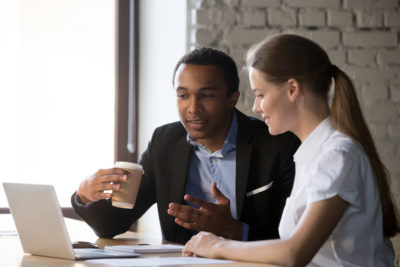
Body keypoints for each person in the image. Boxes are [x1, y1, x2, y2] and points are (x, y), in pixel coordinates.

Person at [182, 34, 400, 266]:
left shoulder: (337, 156)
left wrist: (216, 246)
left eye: (260, 94)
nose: (256, 107)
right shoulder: (312, 153)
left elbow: (294, 253)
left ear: (292, 89)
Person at [71, 47, 300, 244]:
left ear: (232, 98)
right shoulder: (165, 142)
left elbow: (303, 241)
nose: (193, 108)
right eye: (182, 95)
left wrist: (235, 230)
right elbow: (113, 225)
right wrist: (83, 196)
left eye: (207, 95)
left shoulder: (278, 145)